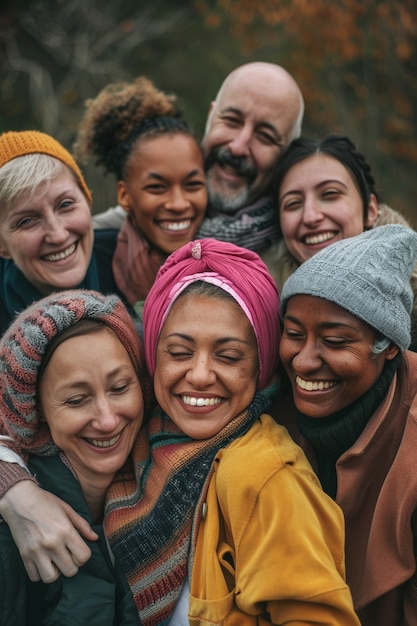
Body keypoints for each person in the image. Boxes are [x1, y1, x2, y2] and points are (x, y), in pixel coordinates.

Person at [0, 240, 360, 626]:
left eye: (228, 355)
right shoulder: (140, 439)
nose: (201, 375)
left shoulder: (264, 475)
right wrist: (14, 487)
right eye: (179, 352)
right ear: (152, 360)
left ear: (262, 364)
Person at [278, 224, 417, 625]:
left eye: (335, 341)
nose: (303, 361)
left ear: (389, 346)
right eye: (292, 334)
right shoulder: (270, 402)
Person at [0, 289, 149, 624]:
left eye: (119, 388)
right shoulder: (11, 537)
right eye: (77, 399)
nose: (108, 419)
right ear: (37, 413)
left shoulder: (168, 481)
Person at [92, 62, 305, 255]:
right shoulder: (135, 220)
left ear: (286, 153)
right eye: (231, 121)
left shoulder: (296, 250)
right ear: (211, 116)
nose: (238, 146)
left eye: (265, 136)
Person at [262, 133, 417, 349]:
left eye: (330, 194)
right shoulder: (262, 312)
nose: (310, 216)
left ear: (370, 210)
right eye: (293, 203)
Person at [74, 76, 207, 308]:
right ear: (125, 195)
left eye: (193, 184)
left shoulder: (222, 262)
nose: (178, 203)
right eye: (157, 187)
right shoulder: (87, 263)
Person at [0, 129, 129, 336]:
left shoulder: (130, 259)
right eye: (26, 221)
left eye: (66, 204)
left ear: (87, 200)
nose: (58, 235)